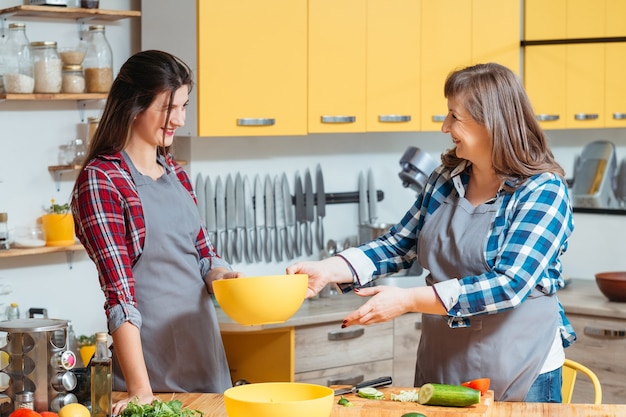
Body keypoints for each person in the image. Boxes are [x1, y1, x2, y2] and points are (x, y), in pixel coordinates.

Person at [287, 62, 575, 402]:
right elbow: (399, 244)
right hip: (442, 361)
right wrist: (329, 268)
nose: (444, 127)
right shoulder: (447, 177)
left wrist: (408, 300)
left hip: (519, 366)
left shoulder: (542, 190)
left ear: (491, 122)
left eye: (455, 116)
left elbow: (509, 284)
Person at [71, 50, 241, 412]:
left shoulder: (176, 173)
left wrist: (225, 277)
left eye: (184, 106)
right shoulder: (103, 180)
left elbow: (203, 255)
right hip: (149, 375)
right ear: (134, 105)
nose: (179, 119)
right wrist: (141, 392)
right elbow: (119, 294)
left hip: (207, 365)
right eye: (169, 108)